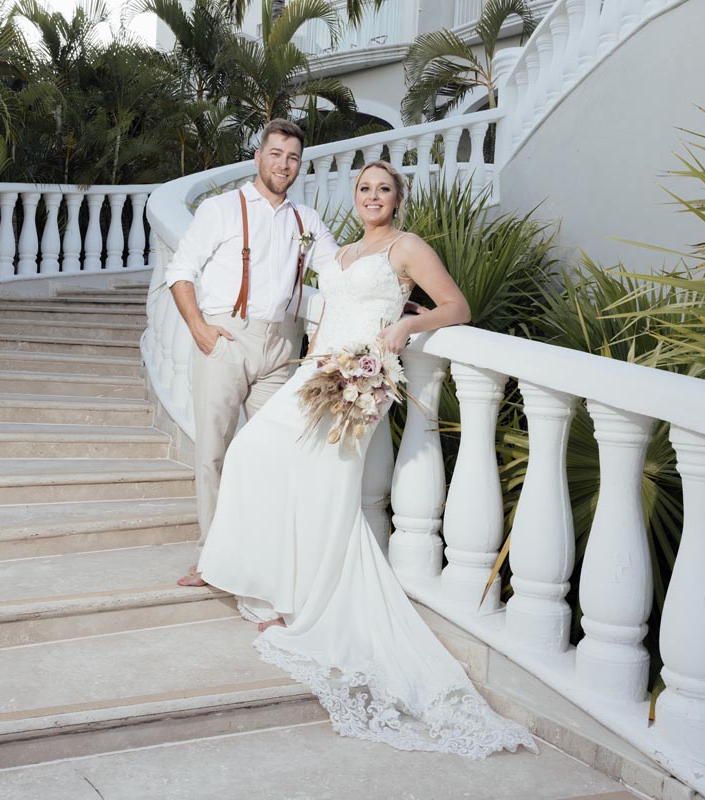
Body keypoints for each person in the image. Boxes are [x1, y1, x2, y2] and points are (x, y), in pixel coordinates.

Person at [197, 160, 538, 759]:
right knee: (253, 451)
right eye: (364, 189)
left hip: (364, 379)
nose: (372, 196)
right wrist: (309, 362)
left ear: (397, 198)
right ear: (354, 199)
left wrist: (411, 326)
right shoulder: (348, 252)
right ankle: (276, 582)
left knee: (328, 486)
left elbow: (456, 306)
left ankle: (303, 603)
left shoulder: (407, 248)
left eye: (383, 189)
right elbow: (327, 315)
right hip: (320, 372)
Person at [164, 119, 339, 588]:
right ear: (258, 157)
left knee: (273, 454)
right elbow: (180, 271)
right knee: (213, 454)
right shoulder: (220, 210)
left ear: (300, 166)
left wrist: (396, 289)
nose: (284, 164)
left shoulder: (308, 221)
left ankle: (259, 558)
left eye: (293, 157)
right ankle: (211, 559)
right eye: (276, 154)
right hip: (226, 339)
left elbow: (339, 274)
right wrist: (199, 327)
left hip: (282, 346)